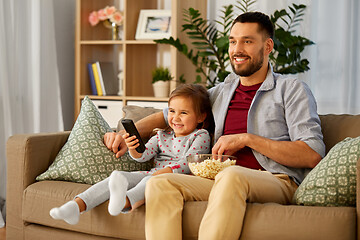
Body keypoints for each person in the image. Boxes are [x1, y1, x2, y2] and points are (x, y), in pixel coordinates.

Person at [104, 12, 325, 240]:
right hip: (218, 179)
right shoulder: (221, 92)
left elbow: (312, 154)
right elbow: (166, 115)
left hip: (277, 180)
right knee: (160, 183)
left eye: (247, 41)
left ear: (268, 46)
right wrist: (125, 133)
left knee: (232, 176)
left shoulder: (291, 89)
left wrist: (246, 139)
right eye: (232, 41)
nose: (237, 49)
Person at [49, 83, 214, 225]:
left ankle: (124, 202)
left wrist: (162, 173)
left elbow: (190, 162)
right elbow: (143, 156)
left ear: (200, 116)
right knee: (119, 176)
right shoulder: (161, 135)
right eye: (171, 111)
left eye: (183, 113)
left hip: (177, 179)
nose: (175, 118)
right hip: (152, 174)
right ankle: (75, 206)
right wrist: (133, 147)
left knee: (149, 179)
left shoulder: (201, 136)